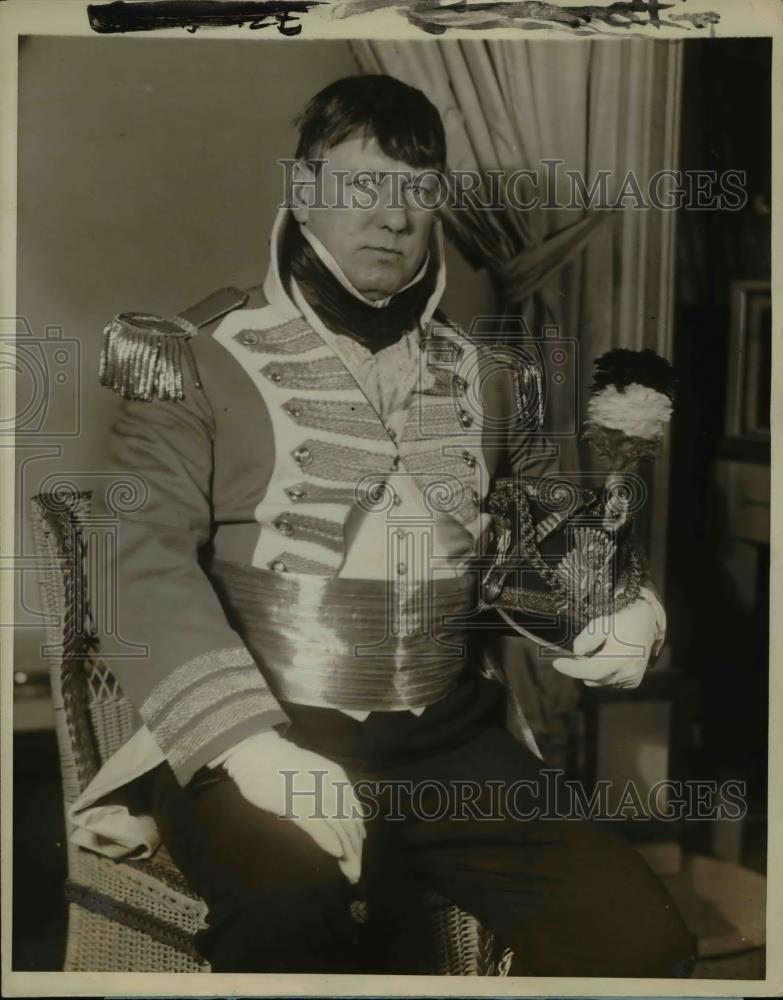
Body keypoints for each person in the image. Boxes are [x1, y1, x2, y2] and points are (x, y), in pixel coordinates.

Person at [86, 74, 694, 976]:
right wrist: (250, 748)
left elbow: (535, 535)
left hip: (447, 737)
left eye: (416, 190)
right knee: (293, 918)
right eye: (360, 186)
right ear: (301, 192)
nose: (392, 217)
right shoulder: (189, 356)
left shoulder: (489, 372)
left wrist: (616, 606)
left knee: (641, 944)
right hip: (261, 734)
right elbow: (135, 563)